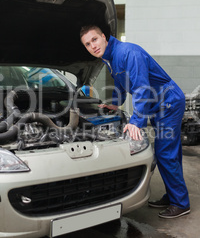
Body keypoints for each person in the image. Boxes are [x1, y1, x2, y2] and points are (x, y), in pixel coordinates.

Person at [80, 25, 190, 219]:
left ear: (104, 37)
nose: (92, 46)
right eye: (87, 44)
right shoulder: (110, 58)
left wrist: (136, 121)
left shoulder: (128, 52)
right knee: (169, 152)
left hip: (168, 101)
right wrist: (114, 105)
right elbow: (121, 85)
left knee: (165, 152)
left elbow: (141, 88)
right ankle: (174, 195)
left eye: (94, 40)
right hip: (159, 103)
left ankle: (180, 203)